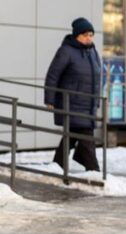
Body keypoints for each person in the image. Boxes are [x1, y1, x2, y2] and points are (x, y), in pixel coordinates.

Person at [44, 17, 101, 171]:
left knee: (71, 137)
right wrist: (50, 99)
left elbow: (96, 78)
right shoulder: (66, 51)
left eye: (90, 34)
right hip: (72, 103)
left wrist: (97, 102)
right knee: (86, 137)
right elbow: (53, 75)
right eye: (85, 35)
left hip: (88, 104)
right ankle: (94, 172)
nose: (89, 38)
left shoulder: (92, 51)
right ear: (77, 36)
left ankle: (57, 165)